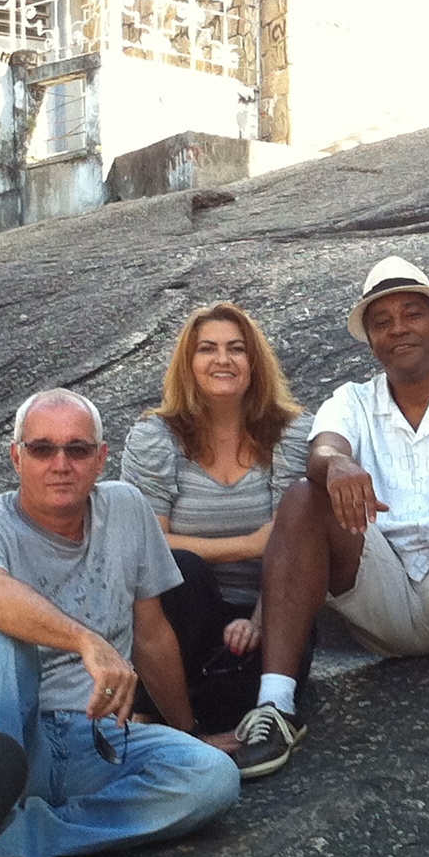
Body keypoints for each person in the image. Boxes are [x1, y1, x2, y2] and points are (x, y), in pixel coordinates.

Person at [0, 388, 243, 857]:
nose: (61, 464)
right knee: (0, 643)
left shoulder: (124, 508)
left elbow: (151, 632)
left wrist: (187, 731)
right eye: (43, 449)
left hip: (93, 738)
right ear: (15, 457)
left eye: (77, 449)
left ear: (101, 458)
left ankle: (9, 839)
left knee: (212, 779)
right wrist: (84, 640)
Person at [232, 258, 429, 777]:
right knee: (303, 495)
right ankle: (276, 705)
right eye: (382, 322)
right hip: (386, 598)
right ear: (370, 340)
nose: (398, 329)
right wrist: (336, 464)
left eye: (412, 314)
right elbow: (325, 448)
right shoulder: (352, 401)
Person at [119, 303, 315, 739]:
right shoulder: (156, 438)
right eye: (207, 349)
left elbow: (297, 547)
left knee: (241, 703)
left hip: (268, 613)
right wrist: (249, 544)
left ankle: (191, 717)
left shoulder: (293, 433)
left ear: (254, 363)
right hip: (182, 618)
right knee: (180, 571)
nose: (223, 360)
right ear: (188, 364)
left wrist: (259, 621)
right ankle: (159, 717)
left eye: (236, 349)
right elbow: (146, 541)